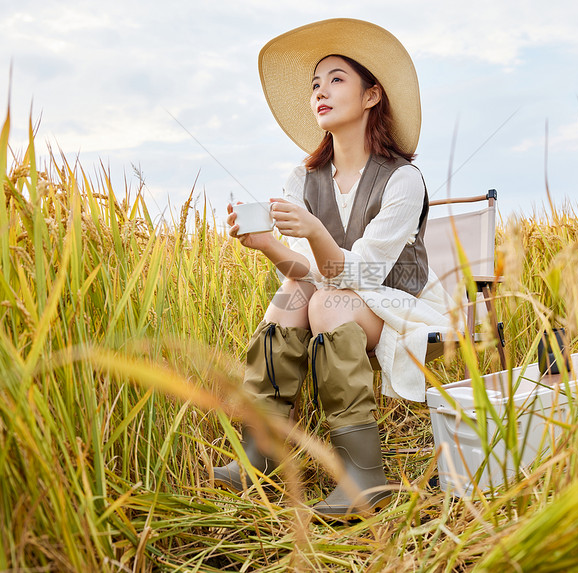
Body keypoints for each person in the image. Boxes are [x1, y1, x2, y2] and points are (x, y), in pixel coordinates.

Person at [214, 18, 453, 519]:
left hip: (397, 300)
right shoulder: (304, 175)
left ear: (371, 96)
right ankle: (261, 453)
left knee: (321, 300)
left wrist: (316, 233)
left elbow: (364, 274)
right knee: (292, 295)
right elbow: (309, 270)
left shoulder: (403, 179)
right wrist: (265, 246)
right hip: (338, 297)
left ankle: (363, 475)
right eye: (315, 84)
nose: (320, 90)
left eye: (336, 78)